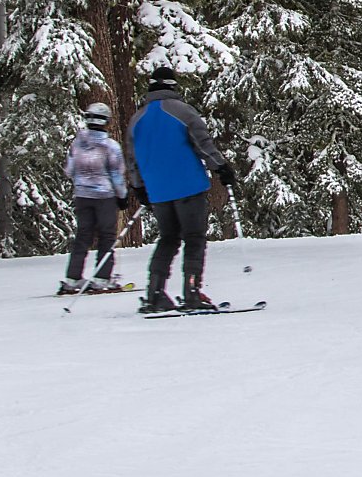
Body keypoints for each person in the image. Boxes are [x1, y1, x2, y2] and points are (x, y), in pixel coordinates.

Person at [128, 66, 234, 313]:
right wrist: (221, 167)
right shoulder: (182, 111)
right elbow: (203, 144)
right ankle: (192, 291)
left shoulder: (137, 118)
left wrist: (138, 187)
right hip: (188, 185)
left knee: (168, 239)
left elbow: (131, 158)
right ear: (172, 86)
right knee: (194, 238)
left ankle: (155, 293)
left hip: (158, 191)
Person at [59, 102, 126, 295]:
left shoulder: (77, 144)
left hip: (82, 195)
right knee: (106, 236)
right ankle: (102, 277)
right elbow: (116, 174)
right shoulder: (110, 146)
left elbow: (69, 170)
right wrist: (122, 196)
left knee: (83, 236)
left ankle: (73, 278)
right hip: (105, 196)